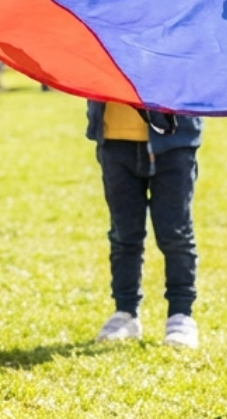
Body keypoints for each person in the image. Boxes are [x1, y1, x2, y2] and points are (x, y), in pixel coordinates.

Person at [85, 102, 203, 348]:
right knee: (124, 235)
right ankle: (125, 313)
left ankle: (180, 315)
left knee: (175, 233)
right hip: (114, 138)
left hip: (174, 140)